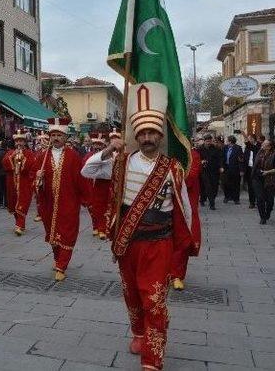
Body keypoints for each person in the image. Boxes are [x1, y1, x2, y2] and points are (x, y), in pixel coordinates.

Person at [82, 84, 198, 371]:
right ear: (136, 135)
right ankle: (138, 334)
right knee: (132, 294)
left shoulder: (172, 169)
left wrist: (183, 246)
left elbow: (184, 209)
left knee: (154, 300)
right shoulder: (121, 163)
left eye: (153, 134)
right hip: (127, 242)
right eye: (143, 133)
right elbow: (87, 171)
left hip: (159, 244)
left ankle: (153, 360)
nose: (147, 138)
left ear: (160, 136)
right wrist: (109, 148)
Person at [36, 117, 85, 281]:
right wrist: (38, 179)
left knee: (67, 233)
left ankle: (62, 266)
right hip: (48, 203)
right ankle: (58, 259)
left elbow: (81, 180)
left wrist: (88, 201)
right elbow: (34, 183)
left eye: (59, 135)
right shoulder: (42, 157)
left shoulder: (74, 157)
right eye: (53, 135)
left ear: (65, 138)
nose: (56, 138)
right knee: (52, 233)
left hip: (68, 203)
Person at [171, 141, 202, 291]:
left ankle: (177, 275)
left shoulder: (193, 155)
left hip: (185, 204)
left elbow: (191, 176)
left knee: (182, 240)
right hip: (166, 205)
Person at [83, 131, 117, 240]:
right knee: (95, 206)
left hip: (109, 183)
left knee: (107, 206)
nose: (97, 146)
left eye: (100, 144)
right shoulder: (89, 156)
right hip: (93, 183)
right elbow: (85, 170)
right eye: (95, 144)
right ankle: (97, 226)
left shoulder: (112, 155)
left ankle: (103, 228)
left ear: (104, 145)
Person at [2, 129, 36, 236]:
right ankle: (19, 223)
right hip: (12, 182)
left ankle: (19, 225)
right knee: (13, 204)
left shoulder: (29, 153)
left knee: (22, 203)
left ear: (24, 142)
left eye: (21, 141)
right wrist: (12, 157)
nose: (19, 143)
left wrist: (23, 159)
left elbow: (32, 166)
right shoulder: (10, 152)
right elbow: (4, 163)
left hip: (24, 183)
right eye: (17, 141)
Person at [252, 139, 275, 224]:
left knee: (270, 201)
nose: (262, 144)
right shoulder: (259, 152)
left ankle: (268, 212)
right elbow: (250, 145)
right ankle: (262, 217)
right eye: (263, 143)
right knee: (260, 198)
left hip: (270, 179)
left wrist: (267, 172)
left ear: (269, 147)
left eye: (265, 144)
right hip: (258, 178)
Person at [199, 134, 223, 210]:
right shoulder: (200, 149)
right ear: (204, 141)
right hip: (204, 170)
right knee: (207, 186)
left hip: (214, 170)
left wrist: (221, 167)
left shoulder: (216, 148)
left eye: (209, 141)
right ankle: (211, 203)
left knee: (215, 186)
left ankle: (211, 199)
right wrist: (201, 161)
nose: (208, 143)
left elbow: (220, 158)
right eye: (207, 141)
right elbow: (197, 159)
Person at [222, 135, 244, 204]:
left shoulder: (238, 148)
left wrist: (241, 170)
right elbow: (222, 158)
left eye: (227, 140)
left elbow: (241, 160)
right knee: (226, 183)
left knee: (236, 184)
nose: (226, 142)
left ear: (230, 141)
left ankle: (236, 199)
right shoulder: (225, 148)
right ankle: (227, 197)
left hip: (235, 169)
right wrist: (221, 167)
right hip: (226, 168)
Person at [242, 133, 261, 208]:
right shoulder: (247, 147)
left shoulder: (259, 146)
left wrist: (245, 137)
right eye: (248, 139)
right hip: (249, 168)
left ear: (253, 139)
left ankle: (258, 200)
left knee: (257, 186)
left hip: (256, 169)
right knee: (250, 186)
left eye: (249, 138)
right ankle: (251, 202)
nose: (248, 140)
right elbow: (245, 156)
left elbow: (252, 147)